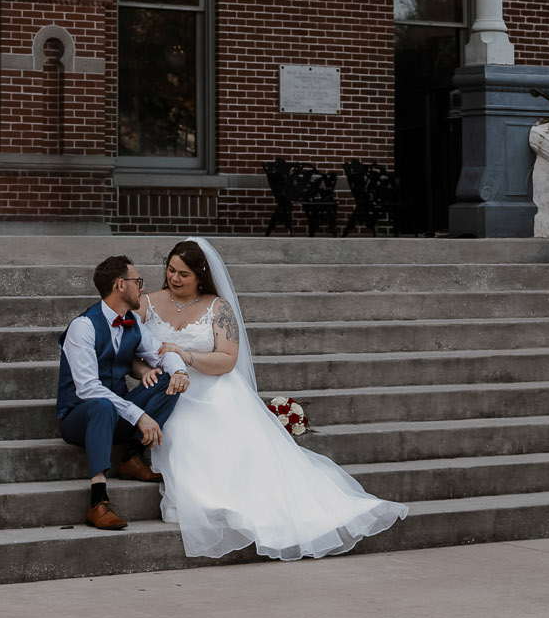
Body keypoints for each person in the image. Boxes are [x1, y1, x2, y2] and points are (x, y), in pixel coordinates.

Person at [138, 237, 407, 562]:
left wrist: (187, 357)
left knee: (227, 431)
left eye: (183, 274)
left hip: (213, 387)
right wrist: (144, 370)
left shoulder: (217, 307)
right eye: (170, 270)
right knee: (182, 433)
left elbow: (227, 359)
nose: (174, 278)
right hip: (167, 391)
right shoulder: (146, 303)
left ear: (201, 275)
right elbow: (129, 350)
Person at [57, 254, 189, 532]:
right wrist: (139, 415)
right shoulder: (83, 327)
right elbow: (88, 388)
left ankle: (131, 457)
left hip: (117, 413)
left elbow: (162, 352)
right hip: (79, 415)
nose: (141, 287)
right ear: (120, 285)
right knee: (102, 403)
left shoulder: (132, 322)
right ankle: (98, 500)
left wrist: (179, 372)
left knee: (167, 380)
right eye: (137, 281)